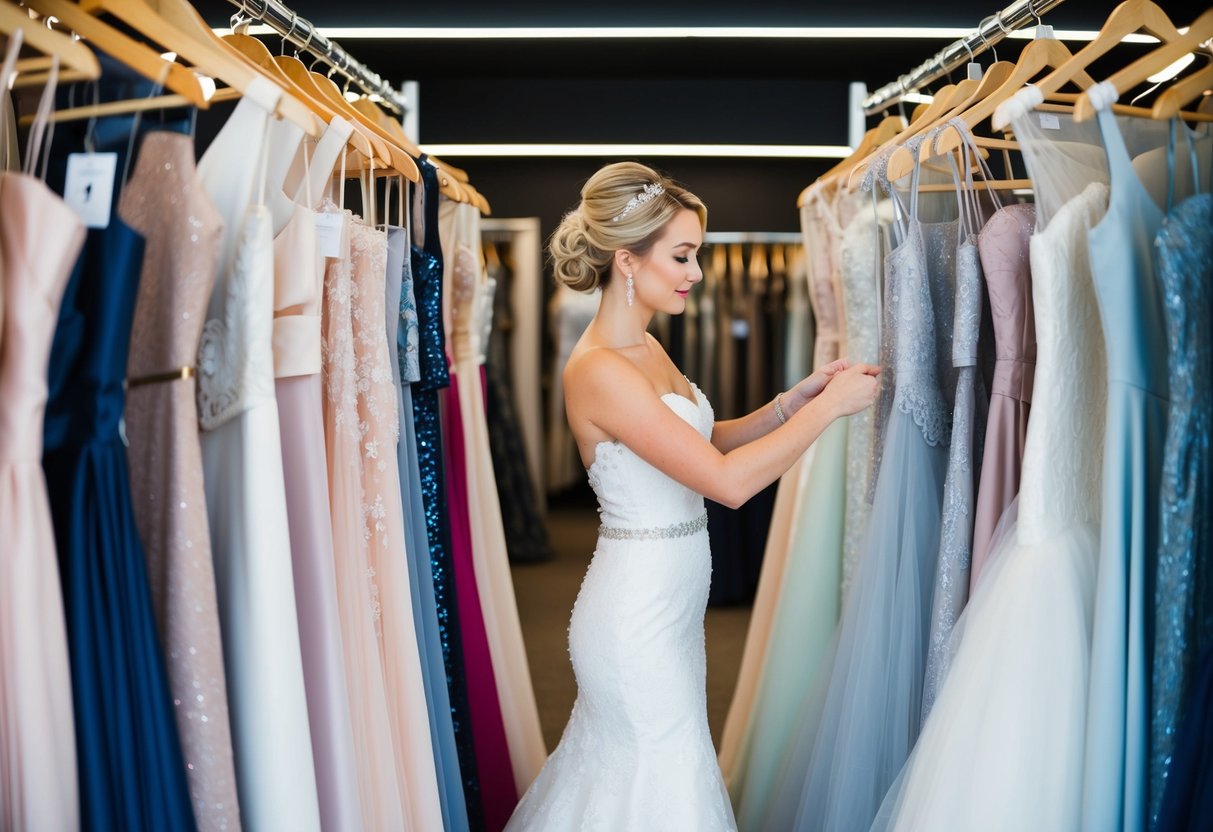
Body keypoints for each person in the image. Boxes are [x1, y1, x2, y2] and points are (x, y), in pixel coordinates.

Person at [504, 162, 879, 831]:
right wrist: (829, 415)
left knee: (646, 784)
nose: (696, 273)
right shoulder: (599, 369)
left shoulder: (645, 346)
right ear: (626, 261)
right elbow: (727, 486)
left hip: (670, 604)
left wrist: (789, 403)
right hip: (634, 616)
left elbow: (699, 446)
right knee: (660, 779)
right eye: (682, 256)